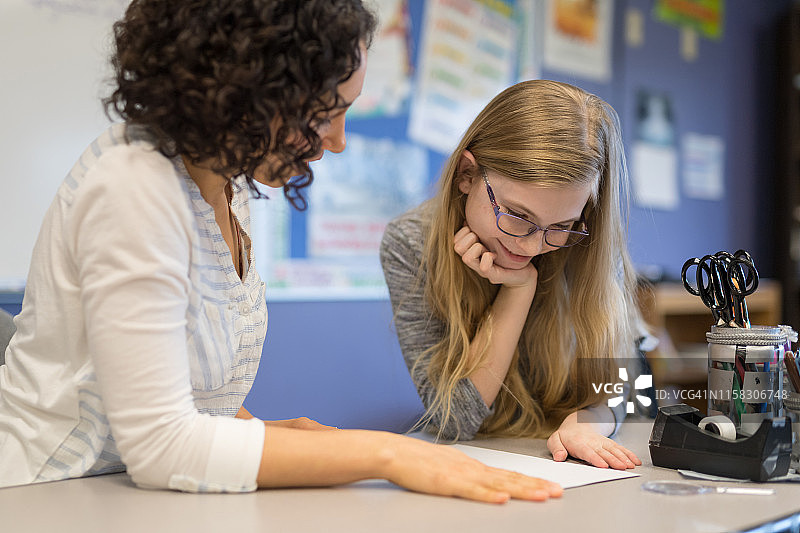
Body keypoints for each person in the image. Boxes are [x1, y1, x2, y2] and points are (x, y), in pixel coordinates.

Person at [0, 0, 563, 503]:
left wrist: (256, 429)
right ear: (247, 87)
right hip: (48, 492)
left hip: (128, 497)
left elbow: (175, 382)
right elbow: (160, 445)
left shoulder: (227, 181)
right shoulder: (133, 186)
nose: (338, 140)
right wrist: (390, 454)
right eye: (324, 111)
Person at [380, 80, 647, 470]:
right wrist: (519, 290)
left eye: (561, 224)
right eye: (519, 217)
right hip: (481, 462)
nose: (532, 246)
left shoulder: (589, 241)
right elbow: (456, 417)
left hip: (566, 465)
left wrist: (586, 424)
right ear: (466, 174)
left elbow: (620, 387)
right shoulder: (410, 244)